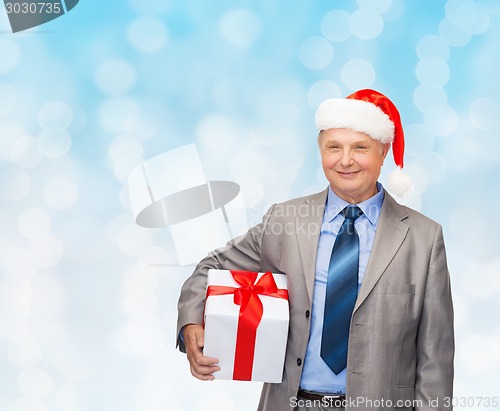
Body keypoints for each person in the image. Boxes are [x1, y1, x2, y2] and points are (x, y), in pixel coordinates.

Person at [176, 89, 454, 411]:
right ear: (321, 150)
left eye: (360, 148)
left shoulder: (423, 237)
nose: (345, 160)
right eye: (334, 147)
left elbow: (436, 356)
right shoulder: (286, 220)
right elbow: (212, 266)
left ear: (383, 151)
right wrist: (192, 322)